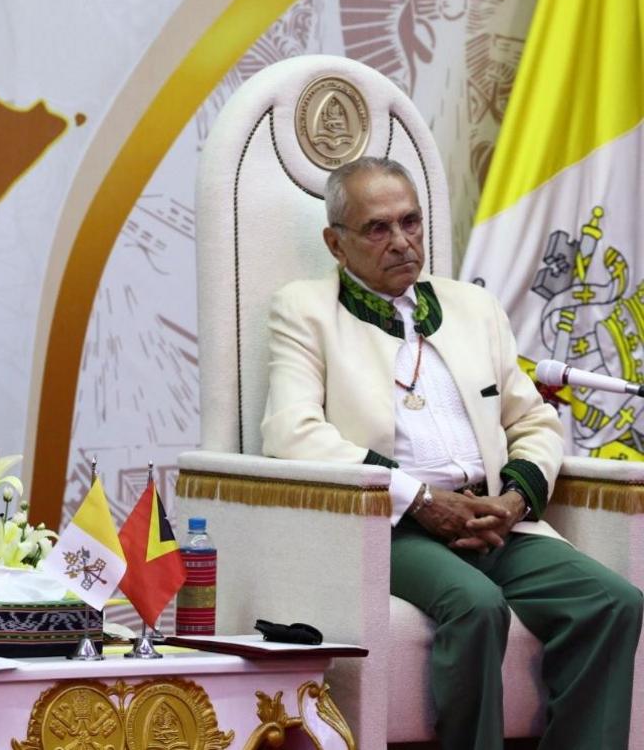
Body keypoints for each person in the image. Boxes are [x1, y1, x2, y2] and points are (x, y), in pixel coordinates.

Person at [260, 156, 643, 748]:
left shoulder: (472, 308)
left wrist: (515, 500)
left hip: (493, 519)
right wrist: (419, 497)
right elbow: (290, 432)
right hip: (391, 525)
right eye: (377, 228)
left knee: (612, 601)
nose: (401, 242)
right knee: (475, 603)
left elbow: (533, 419)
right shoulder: (307, 310)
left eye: (410, 222)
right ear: (336, 244)